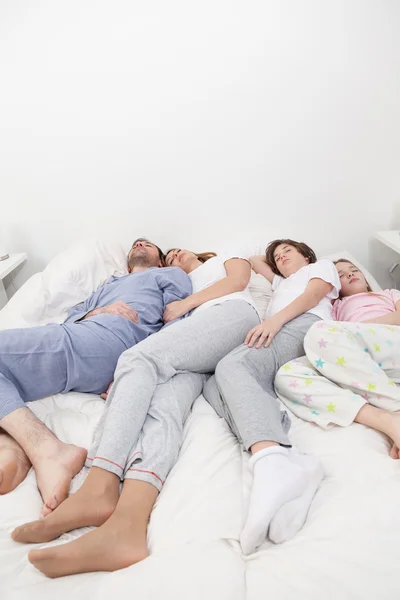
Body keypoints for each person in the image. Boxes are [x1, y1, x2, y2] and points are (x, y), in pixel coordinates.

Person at [12, 247, 262, 578]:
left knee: (136, 360)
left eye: (176, 251)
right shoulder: (160, 281)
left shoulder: (218, 262)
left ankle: (99, 486)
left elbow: (241, 279)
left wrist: (183, 306)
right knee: (165, 404)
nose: (175, 255)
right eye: (170, 254)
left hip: (225, 317)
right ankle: (126, 528)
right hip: (196, 340)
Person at [0, 238, 191, 516]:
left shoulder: (168, 274)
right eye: (137, 242)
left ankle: (49, 450)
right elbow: (73, 317)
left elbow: (179, 323)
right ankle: (13, 446)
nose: (140, 243)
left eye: (148, 244)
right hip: (84, 340)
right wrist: (100, 309)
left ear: (160, 260)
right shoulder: (109, 284)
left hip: (109, 339)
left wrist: (136, 369)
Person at [202, 239, 341, 554]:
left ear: (307, 254)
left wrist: (274, 321)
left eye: (288, 251)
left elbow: (311, 296)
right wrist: (276, 260)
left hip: (305, 324)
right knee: (212, 385)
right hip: (283, 328)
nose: (281, 257)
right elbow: (254, 259)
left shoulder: (322, 267)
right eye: (277, 257)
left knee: (232, 366)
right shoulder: (281, 282)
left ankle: (271, 461)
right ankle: (288, 462)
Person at [275, 258, 400, 457]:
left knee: (321, 332)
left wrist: (359, 329)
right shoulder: (335, 307)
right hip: (364, 366)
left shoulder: (388, 294)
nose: (350, 274)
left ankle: (395, 407)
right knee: (287, 374)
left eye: (353, 270)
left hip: (392, 344)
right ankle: (387, 419)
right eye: (341, 275)